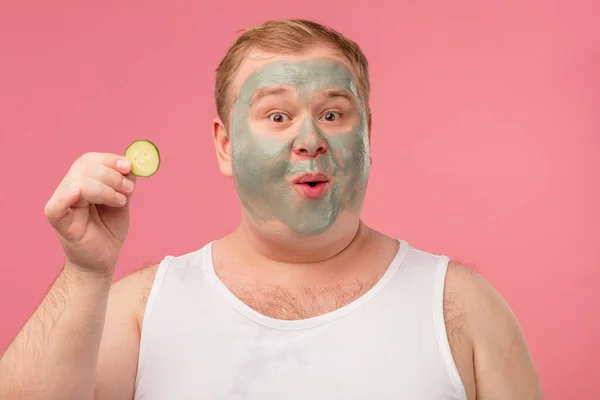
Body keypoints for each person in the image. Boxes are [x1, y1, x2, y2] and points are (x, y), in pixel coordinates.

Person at [0, 19, 544, 400]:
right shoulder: (143, 309)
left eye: (333, 114)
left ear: (368, 135)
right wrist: (84, 272)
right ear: (224, 145)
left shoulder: (464, 306)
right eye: (277, 116)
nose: (309, 139)